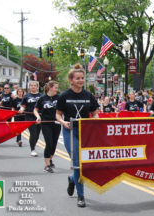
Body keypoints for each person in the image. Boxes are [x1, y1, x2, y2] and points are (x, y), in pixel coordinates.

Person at [56, 63, 99, 208]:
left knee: (85, 164)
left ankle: (72, 179)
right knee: (77, 164)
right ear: (71, 80)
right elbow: (58, 114)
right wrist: (63, 122)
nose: (81, 80)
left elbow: (94, 113)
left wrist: (96, 121)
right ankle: (81, 196)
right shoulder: (64, 95)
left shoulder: (88, 95)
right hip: (70, 131)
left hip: (85, 132)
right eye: (78, 78)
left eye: (82, 78)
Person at [34, 81, 61, 173]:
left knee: (54, 144)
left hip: (57, 123)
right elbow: (35, 109)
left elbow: (64, 109)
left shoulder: (59, 98)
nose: (57, 89)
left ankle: (50, 158)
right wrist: (38, 117)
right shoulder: (42, 98)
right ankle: (47, 165)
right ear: (50, 88)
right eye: (56, 88)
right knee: (49, 143)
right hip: (46, 123)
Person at [19, 81, 42, 157]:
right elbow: (23, 106)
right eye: (31, 85)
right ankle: (33, 149)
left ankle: (33, 146)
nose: (33, 87)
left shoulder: (41, 96)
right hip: (29, 117)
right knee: (33, 133)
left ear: (37, 86)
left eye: (34, 85)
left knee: (37, 135)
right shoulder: (26, 96)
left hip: (39, 117)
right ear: (29, 87)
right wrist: (22, 109)